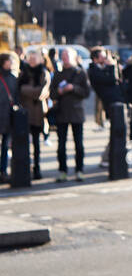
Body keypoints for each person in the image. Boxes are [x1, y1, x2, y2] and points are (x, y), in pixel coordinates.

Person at [50, 49, 89, 181]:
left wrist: (73, 88)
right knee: (61, 145)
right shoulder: (58, 74)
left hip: (77, 113)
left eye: (67, 56)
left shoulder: (80, 72)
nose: (65, 58)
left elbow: (86, 92)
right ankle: (63, 171)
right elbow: (52, 94)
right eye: (63, 56)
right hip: (61, 113)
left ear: (73, 57)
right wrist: (60, 91)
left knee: (79, 144)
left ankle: (79, 170)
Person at [18, 50, 51, 179]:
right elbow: (18, 91)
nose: (32, 61)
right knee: (23, 143)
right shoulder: (23, 73)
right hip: (25, 112)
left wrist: (26, 90)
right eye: (30, 58)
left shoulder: (43, 72)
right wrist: (29, 91)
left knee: (36, 144)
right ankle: (25, 168)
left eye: (34, 58)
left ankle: (37, 168)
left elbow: (41, 92)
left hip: (38, 113)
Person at [0, 52, 20, 185]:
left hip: (8, 116)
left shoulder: (14, 78)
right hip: (2, 114)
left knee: (6, 146)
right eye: (9, 61)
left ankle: (3, 171)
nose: (11, 63)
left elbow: (16, 97)